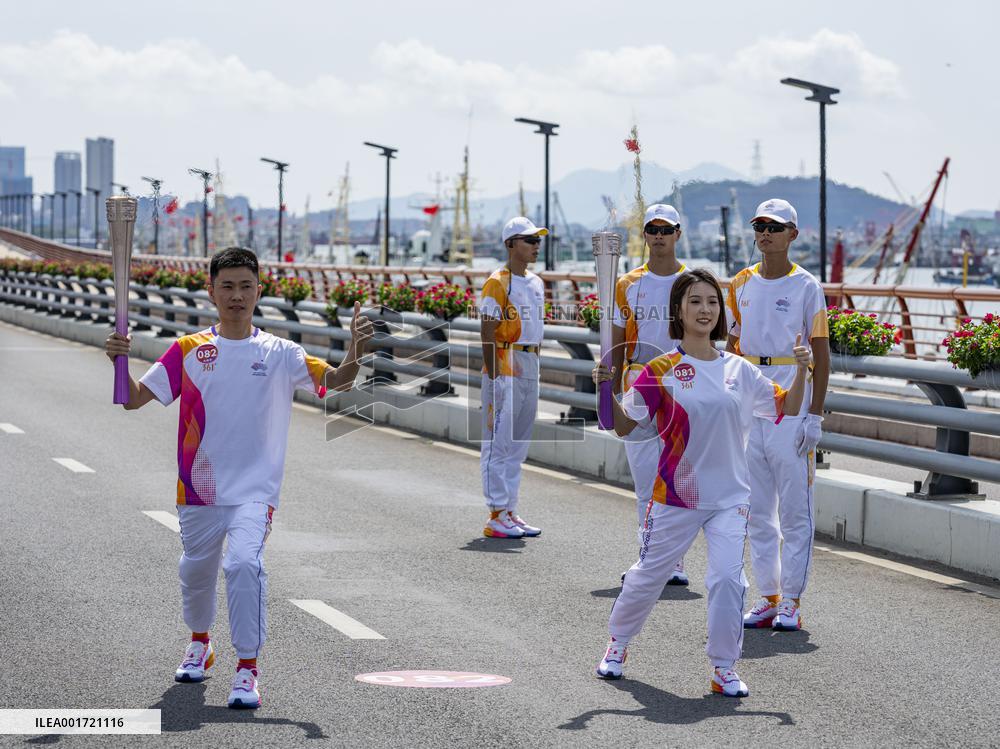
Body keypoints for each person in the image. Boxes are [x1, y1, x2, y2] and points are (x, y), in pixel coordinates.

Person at [104, 247, 373, 709]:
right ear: (211, 292)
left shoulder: (281, 353)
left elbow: (337, 382)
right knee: (196, 570)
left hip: (255, 490)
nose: (236, 295)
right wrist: (117, 361)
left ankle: (247, 669)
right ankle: (200, 643)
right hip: (199, 490)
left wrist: (357, 350)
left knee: (244, 565)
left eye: (245, 286)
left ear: (258, 292)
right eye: (226, 286)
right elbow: (131, 399)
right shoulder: (187, 351)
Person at [592, 268, 810, 697]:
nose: (705, 309)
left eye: (712, 301)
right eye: (695, 301)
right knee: (648, 575)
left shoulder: (740, 370)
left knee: (729, 580)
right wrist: (604, 390)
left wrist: (802, 370)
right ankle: (618, 643)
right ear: (679, 310)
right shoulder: (659, 369)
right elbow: (619, 426)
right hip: (676, 497)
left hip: (730, 497)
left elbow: (787, 406)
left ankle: (723, 666)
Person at [726, 199, 830, 632]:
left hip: (792, 402)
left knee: (794, 511)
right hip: (751, 404)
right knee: (755, 509)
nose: (765, 232)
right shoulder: (740, 283)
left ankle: (791, 598)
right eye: (759, 225)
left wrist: (815, 415)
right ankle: (767, 596)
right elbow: (727, 347)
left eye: (775, 226)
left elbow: (821, 357)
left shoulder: (807, 287)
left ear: (793, 234)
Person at [612, 203, 689, 586]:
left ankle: (673, 560)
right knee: (646, 481)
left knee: (676, 479)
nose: (658, 236)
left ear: (678, 234)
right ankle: (648, 556)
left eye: (666, 229)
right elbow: (613, 340)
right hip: (640, 389)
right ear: (644, 236)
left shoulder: (693, 283)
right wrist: (608, 396)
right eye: (651, 230)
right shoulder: (627, 284)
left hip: (683, 388)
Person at [477, 217, 547, 539]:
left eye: (537, 240)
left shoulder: (536, 283)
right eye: (528, 240)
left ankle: (510, 511)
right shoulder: (497, 282)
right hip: (504, 362)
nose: (535, 246)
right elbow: (487, 333)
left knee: (517, 445)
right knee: (498, 443)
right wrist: (494, 379)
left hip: (530, 360)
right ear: (510, 244)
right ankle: (495, 513)